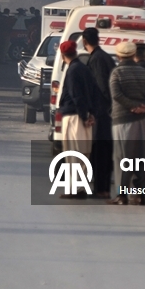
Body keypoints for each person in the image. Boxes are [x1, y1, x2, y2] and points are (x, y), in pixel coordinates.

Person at [109, 41, 145, 205]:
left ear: (118, 56)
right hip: (144, 120)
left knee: (122, 157)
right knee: (142, 157)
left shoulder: (117, 73)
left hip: (123, 119)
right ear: (133, 55)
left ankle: (122, 195)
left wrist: (133, 106)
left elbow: (116, 94)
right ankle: (142, 195)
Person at [58, 39, 98, 199]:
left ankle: (76, 188)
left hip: (75, 117)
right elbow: (93, 93)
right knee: (83, 153)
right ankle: (80, 187)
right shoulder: (84, 68)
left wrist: (83, 116)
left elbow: (76, 95)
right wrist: (91, 114)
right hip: (84, 115)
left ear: (62, 55)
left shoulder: (72, 70)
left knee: (73, 153)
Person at [82, 28, 115, 199]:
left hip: (102, 114)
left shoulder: (97, 59)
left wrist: (97, 111)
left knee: (100, 152)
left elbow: (102, 87)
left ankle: (101, 189)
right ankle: (102, 187)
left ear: (84, 41)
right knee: (103, 152)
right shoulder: (104, 56)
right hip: (106, 113)